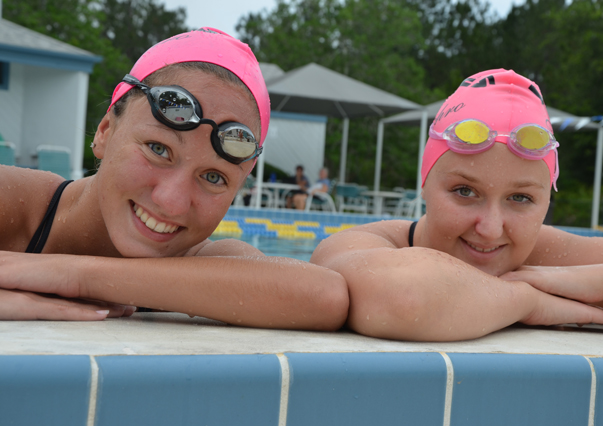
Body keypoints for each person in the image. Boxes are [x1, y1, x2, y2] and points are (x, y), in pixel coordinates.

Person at [0, 27, 348, 329]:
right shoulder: (14, 203)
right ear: (105, 131)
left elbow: (323, 295)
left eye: (213, 177)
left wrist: (73, 275)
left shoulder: (199, 264)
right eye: (158, 148)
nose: (172, 200)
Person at [311, 69, 603, 341]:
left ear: (547, 201)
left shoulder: (550, 255)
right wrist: (528, 301)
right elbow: (406, 300)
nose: (490, 229)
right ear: (424, 182)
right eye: (464, 191)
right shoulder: (362, 244)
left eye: (520, 198)